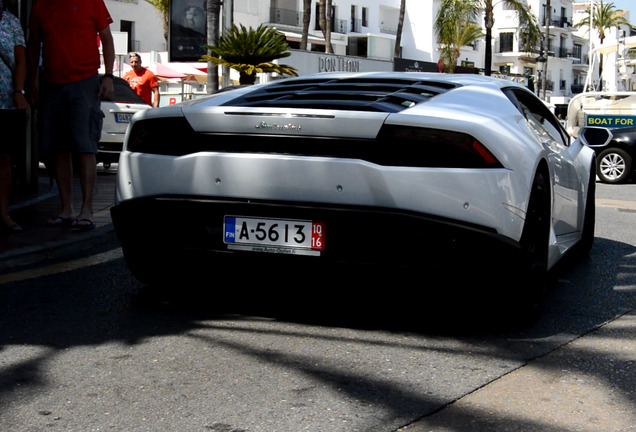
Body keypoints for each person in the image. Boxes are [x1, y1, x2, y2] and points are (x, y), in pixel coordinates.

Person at [27, 0, 115, 230]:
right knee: (58, 148)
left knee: (85, 145)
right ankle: (66, 208)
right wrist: (31, 83)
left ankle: (87, 210)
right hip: (51, 83)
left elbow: (106, 37)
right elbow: (34, 43)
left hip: (84, 81)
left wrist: (108, 76)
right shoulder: (40, 4)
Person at [0, 3, 28, 233]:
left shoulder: (10, 22)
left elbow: (21, 61)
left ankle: (3, 214)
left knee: (3, 158)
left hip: (4, 101)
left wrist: (19, 92)